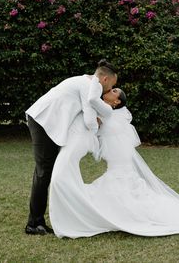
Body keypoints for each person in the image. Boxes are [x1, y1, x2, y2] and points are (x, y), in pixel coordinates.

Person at [49, 81, 179, 238]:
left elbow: (91, 122)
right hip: (119, 167)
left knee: (121, 199)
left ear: (116, 101)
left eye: (114, 91)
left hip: (119, 169)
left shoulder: (108, 114)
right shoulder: (116, 113)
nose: (110, 90)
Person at [25, 59, 117, 235]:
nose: (110, 89)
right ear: (105, 79)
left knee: (45, 171)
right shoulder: (92, 86)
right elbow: (89, 118)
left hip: (46, 123)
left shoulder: (84, 81)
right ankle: (33, 223)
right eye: (113, 84)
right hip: (43, 120)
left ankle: (38, 220)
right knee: (44, 171)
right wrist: (96, 126)